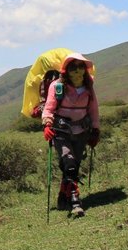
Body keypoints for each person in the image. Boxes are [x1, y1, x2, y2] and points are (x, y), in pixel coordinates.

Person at [41, 53, 100, 217]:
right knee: (70, 163)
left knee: (73, 167)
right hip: (61, 130)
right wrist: (46, 124)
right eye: (73, 68)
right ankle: (75, 202)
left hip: (82, 130)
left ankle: (62, 197)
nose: (78, 71)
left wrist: (95, 130)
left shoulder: (89, 86)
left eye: (81, 67)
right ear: (67, 70)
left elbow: (93, 108)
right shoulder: (57, 86)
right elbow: (49, 107)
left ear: (85, 69)